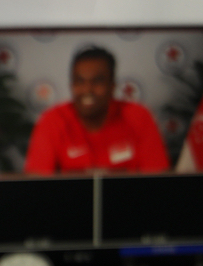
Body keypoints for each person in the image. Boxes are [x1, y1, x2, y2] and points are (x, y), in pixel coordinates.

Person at [25, 46, 170, 174]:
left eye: (97, 81)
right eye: (80, 81)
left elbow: (157, 181)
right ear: (71, 85)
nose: (87, 90)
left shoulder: (138, 116)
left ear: (112, 86)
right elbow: (37, 186)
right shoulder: (52, 120)